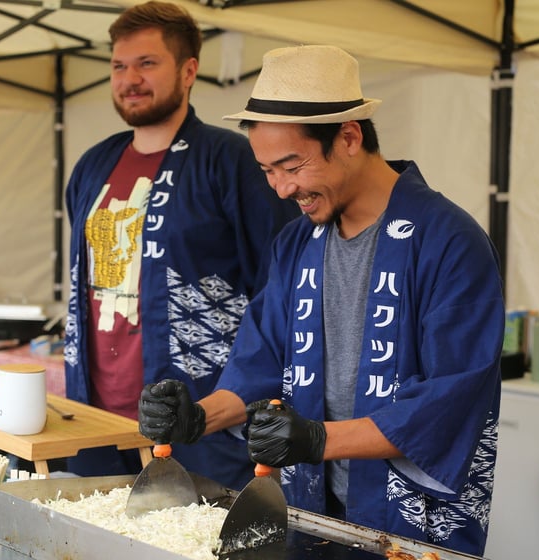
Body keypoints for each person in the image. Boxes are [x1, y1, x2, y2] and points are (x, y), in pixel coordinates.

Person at [138, 45, 505, 555]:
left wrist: (317, 439)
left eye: (292, 165)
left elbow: (449, 400)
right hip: (310, 515)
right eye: (267, 170)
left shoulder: (448, 240)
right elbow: (260, 362)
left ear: (349, 137)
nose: (281, 188)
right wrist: (197, 417)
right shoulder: (296, 243)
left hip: (406, 525)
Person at [63, 1, 300, 491]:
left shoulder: (229, 159)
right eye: (119, 66)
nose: (130, 79)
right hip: (96, 416)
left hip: (202, 419)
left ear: (189, 71)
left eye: (147, 63)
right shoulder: (92, 165)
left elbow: (282, 288)